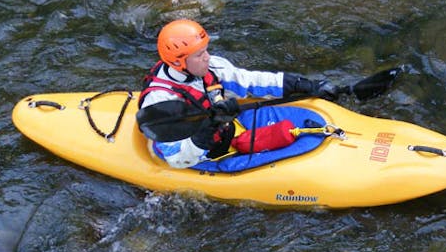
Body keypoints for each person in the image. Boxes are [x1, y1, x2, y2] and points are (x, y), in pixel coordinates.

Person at [137, 19, 338, 169]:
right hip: (199, 154)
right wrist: (210, 127)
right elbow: (177, 159)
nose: (207, 57)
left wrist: (302, 84)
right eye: (199, 55)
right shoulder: (160, 102)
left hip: (225, 132)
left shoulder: (211, 66)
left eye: (206, 50)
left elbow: (250, 81)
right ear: (178, 62)